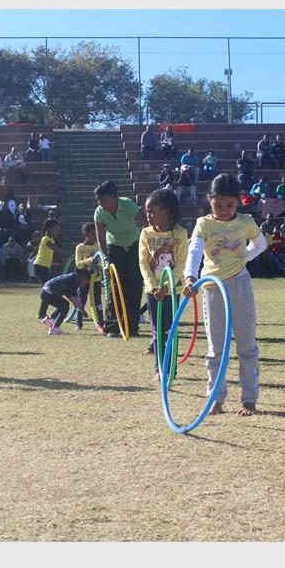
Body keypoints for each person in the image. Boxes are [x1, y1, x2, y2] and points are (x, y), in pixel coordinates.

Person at [183, 174, 267, 416]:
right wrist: (191, 277)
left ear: (238, 202)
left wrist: (244, 257)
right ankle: (216, 399)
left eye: (229, 205)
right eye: (217, 205)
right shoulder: (204, 224)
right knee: (216, 347)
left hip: (240, 284)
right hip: (212, 288)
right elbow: (195, 250)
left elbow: (260, 244)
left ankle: (249, 400)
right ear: (210, 201)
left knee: (246, 345)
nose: (223, 210)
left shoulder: (246, 221)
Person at [139, 188, 188, 380]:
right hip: (153, 291)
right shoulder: (145, 233)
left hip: (171, 290)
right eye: (146, 211)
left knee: (169, 330)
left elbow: (181, 263)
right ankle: (159, 369)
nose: (148, 215)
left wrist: (167, 286)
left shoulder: (180, 234)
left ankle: (170, 369)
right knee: (157, 330)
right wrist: (153, 287)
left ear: (166, 211)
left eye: (152, 211)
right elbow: (143, 263)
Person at [94, 181, 146, 338]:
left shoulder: (128, 205)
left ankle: (132, 327)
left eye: (102, 199)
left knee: (134, 285)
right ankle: (113, 326)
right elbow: (101, 240)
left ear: (112, 197)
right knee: (114, 287)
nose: (100, 203)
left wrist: (145, 242)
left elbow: (145, 221)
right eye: (98, 200)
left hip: (134, 245)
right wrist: (106, 259)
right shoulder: (99, 213)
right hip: (114, 248)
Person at [39, 268, 91, 336]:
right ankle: (55, 328)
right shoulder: (73, 281)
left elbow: (68, 295)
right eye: (85, 282)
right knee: (64, 307)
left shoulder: (72, 277)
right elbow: (75, 299)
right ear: (82, 277)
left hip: (45, 292)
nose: (84, 285)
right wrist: (83, 311)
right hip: (47, 293)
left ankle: (51, 319)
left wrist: (74, 303)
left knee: (65, 304)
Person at [74, 222, 104, 333]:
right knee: (81, 300)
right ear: (85, 234)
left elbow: (101, 261)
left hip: (96, 279)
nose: (94, 237)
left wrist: (98, 264)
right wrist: (90, 260)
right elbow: (78, 263)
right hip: (83, 281)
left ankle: (101, 323)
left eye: (95, 234)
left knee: (97, 302)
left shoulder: (98, 246)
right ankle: (78, 323)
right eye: (92, 234)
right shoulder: (80, 247)